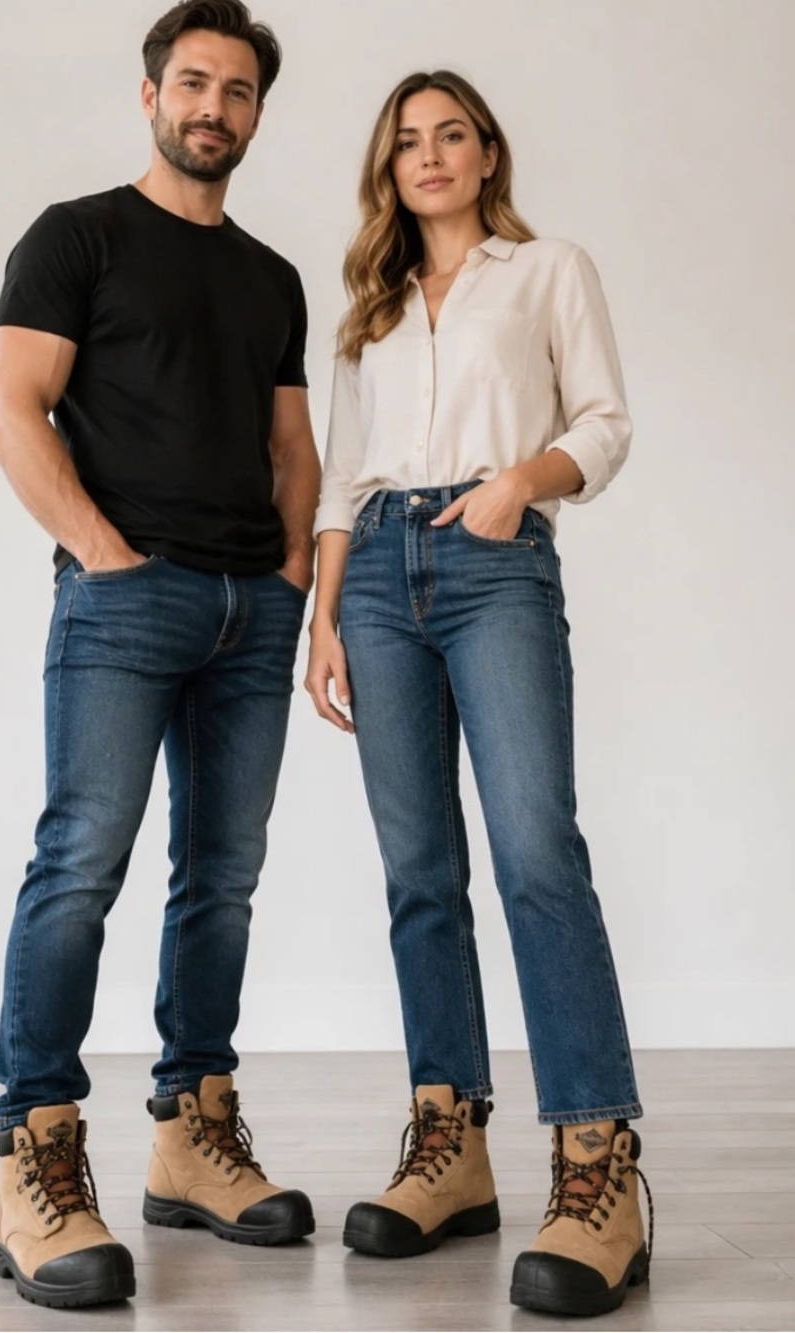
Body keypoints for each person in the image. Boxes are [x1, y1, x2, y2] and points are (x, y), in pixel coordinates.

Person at [0, 0, 320, 1308]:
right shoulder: (76, 238)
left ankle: (191, 1133)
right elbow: (12, 413)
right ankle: (34, 1156)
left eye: (236, 92)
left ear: (252, 113)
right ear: (149, 95)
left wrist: (287, 576)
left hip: (249, 610)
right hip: (124, 600)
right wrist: (103, 554)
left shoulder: (271, 277)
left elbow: (292, 446)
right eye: (192, 84)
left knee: (221, 879)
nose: (212, 109)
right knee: (79, 864)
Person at [306, 70, 652, 1318]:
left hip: (495, 559)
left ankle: (598, 1157)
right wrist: (325, 617)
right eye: (408, 141)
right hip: (377, 577)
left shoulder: (548, 269)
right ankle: (448, 1140)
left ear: (489, 151)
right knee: (417, 870)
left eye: (452, 133)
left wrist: (520, 482)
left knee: (534, 852)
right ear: (388, 169)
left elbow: (607, 422)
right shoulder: (373, 306)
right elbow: (342, 478)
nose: (431, 155)